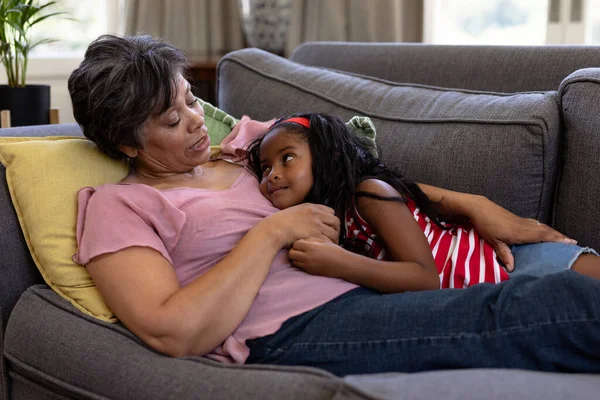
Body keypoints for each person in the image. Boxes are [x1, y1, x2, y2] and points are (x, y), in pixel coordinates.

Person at [69, 34, 600, 377]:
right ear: (126, 144)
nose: (193, 120)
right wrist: (272, 233)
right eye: (170, 119)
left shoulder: (245, 147)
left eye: (190, 98)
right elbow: (173, 331)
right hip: (297, 326)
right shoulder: (121, 206)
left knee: (572, 265)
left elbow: (353, 173)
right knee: (544, 307)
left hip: (379, 274)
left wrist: (470, 204)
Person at [246, 113, 600, 291]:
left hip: (514, 266)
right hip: (499, 291)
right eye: (264, 168)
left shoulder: (369, 194)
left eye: (287, 158)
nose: (272, 175)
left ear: (326, 157)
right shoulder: (330, 221)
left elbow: (424, 277)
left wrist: (339, 263)